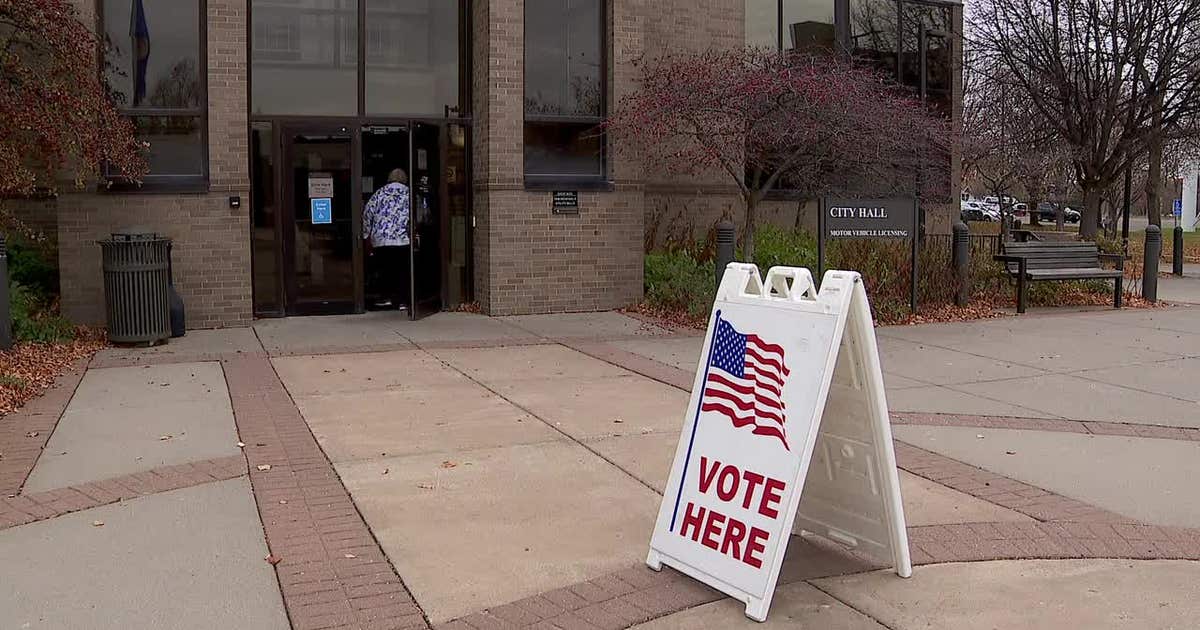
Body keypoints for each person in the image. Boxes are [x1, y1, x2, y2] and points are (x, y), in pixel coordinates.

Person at [363, 168, 411, 309]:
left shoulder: (379, 193)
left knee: (385, 270)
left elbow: (367, 213)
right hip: (402, 239)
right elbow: (419, 213)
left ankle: (386, 297)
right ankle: (402, 300)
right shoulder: (409, 193)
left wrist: (366, 235)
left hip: (381, 239)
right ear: (404, 179)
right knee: (402, 271)